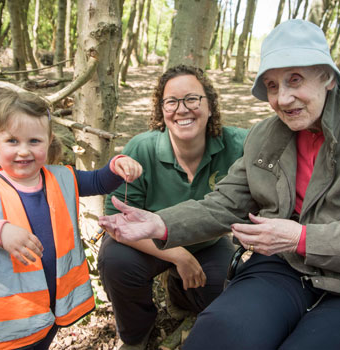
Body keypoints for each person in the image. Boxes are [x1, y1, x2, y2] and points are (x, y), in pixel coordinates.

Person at [99, 19, 340, 350]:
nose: (282, 99)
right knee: (220, 333)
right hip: (283, 268)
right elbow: (226, 203)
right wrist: (159, 222)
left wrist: (303, 237)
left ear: (326, 76)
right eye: (271, 86)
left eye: (295, 80)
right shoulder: (266, 137)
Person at [0, 90, 142, 350]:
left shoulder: (61, 177)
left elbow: (98, 180)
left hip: (52, 310)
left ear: (48, 142)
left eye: (34, 141)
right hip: (12, 321)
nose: (23, 151)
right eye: (12, 141)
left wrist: (117, 167)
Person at [97, 64, 248, 349]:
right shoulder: (142, 149)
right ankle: (136, 332)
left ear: (210, 106)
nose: (182, 109)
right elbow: (116, 221)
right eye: (171, 102)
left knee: (229, 290)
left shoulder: (236, 144)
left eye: (192, 99)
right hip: (147, 242)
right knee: (115, 262)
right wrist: (179, 256)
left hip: (207, 243)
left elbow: (279, 146)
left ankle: (180, 294)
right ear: (161, 110)